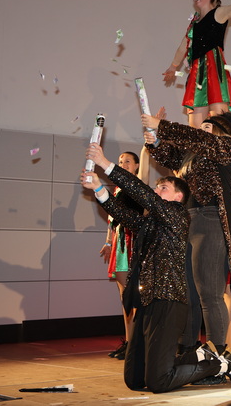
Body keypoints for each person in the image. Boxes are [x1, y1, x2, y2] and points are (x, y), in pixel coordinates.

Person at [81, 144, 231, 392]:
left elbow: (144, 195)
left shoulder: (177, 216)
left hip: (169, 302)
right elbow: (124, 215)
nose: (156, 191)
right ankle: (199, 356)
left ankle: (218, 364)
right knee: (135, 380)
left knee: (159, 381)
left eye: (163, 188)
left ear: (178, 196)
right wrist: (99, 189)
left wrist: (105, 164)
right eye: (156, 188)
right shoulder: (154, 222)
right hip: (148, 300)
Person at [140, 109, 231, 372]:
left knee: (209, 292)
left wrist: (162, 125)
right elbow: (168, 154)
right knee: (186, 291)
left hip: (211, 221)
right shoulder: (194, 155)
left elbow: (200, 140)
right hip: (189, 221)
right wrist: (155, 139)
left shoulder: (226, 147)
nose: (202, 130)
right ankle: (187, 348)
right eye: (202, 127)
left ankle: (217, 355)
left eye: (208, 127)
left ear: (221, 132)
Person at [100, 151, 143, 361]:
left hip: (131, 241)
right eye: (120, 162)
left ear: (137, 165)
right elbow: (112, 220)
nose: (123, 164)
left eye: (127, 161)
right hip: (119, 241)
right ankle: (129, 341)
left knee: (131, 295)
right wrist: (108, 242)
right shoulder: (117, 189)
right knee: (124, 296)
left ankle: (136, 343)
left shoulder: (137, 188)